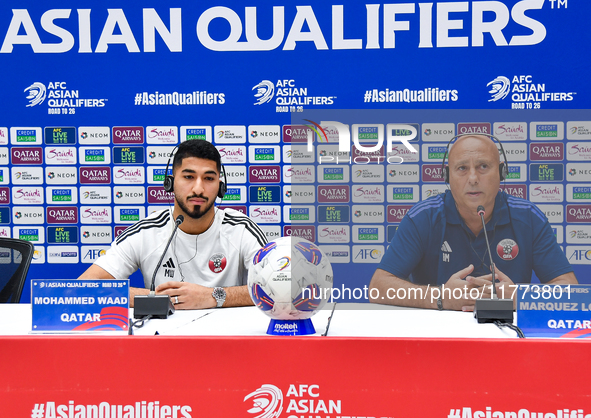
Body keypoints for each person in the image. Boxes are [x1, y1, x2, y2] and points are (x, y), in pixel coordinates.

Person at [369, 134, 577, 311]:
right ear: (447, 176)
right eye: (461, 168)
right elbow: (378, 287)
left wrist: (519, 297)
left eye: (483, 166)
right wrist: (441, 297)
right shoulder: (423, 218)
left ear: (501, 173)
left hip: (507, 339)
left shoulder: (528, 217)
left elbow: (570, 292)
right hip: (438, 340)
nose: (473, 178)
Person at [79, 140, 267, 309]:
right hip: (162, 341)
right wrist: (158, 298)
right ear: (170, 183)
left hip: (228, 342)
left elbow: (278, 289)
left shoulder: (241, 229)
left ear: (220, 186)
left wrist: (213, 296)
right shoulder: (146, 232)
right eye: (188, 177)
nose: (198, 189)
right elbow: (84, 287)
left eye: (209, 178)